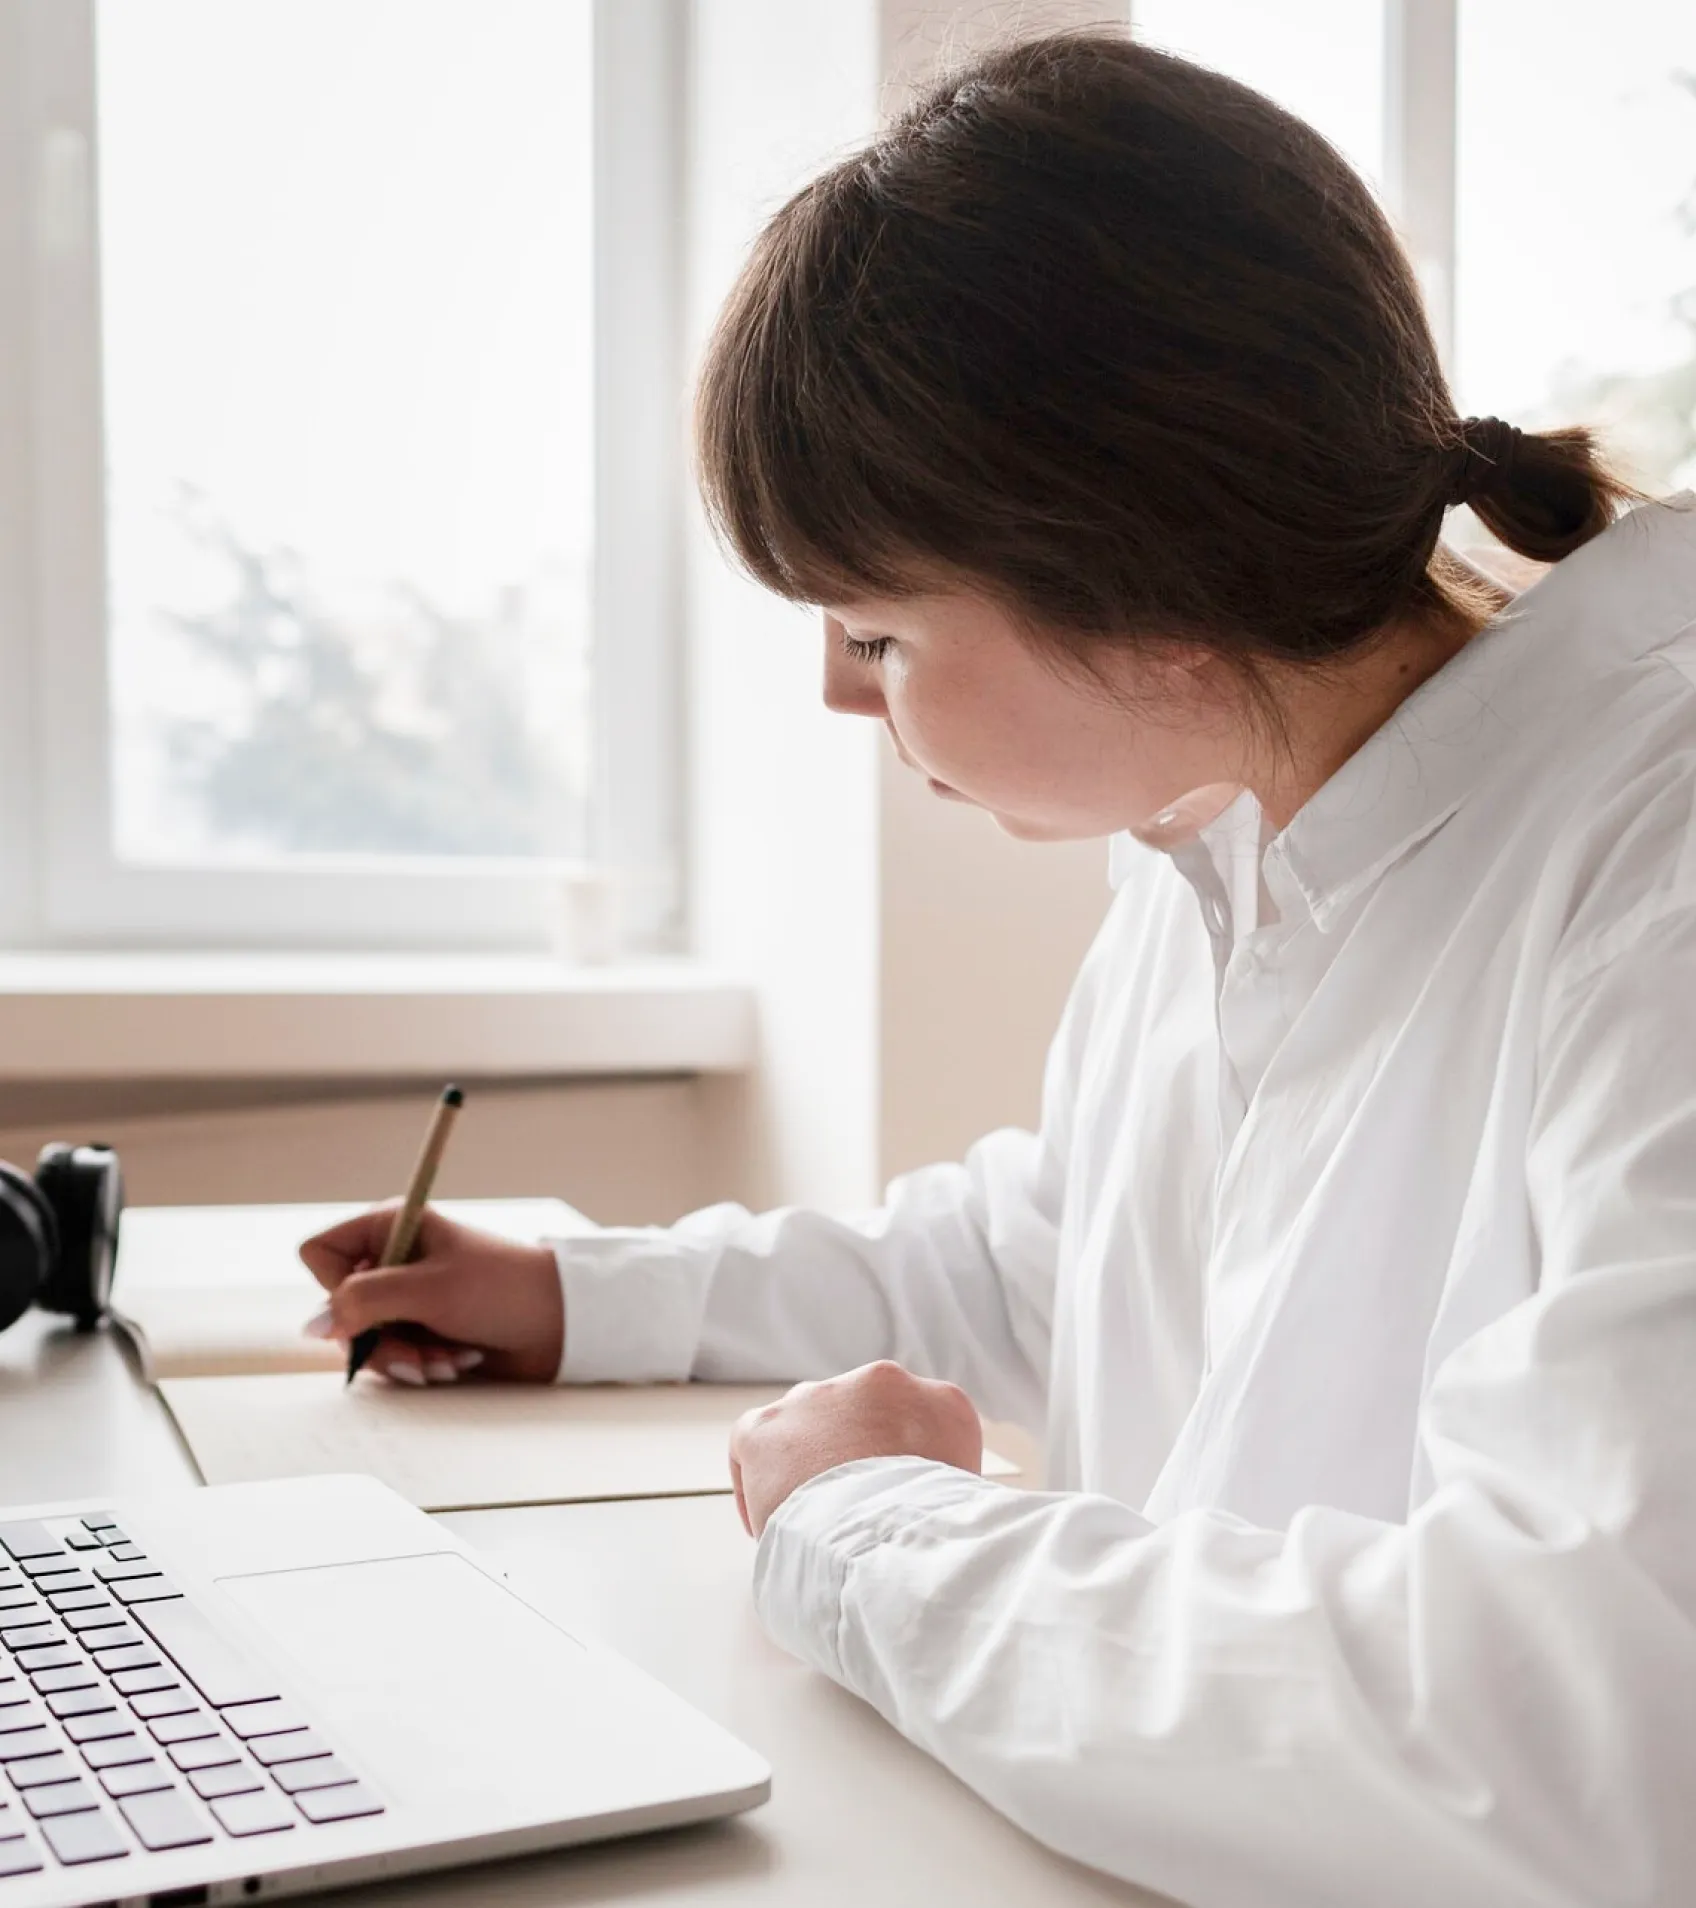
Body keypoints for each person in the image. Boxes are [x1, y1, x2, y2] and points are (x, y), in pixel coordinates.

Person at [299, 29, 1696, 1908]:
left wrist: (865, 1526)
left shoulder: (1649, 858)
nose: (830, 689)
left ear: (1146, 581)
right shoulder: (1237, 821)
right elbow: (1064, 1251)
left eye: (873, 628)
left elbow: (1562, 1725)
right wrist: (586, 1294)